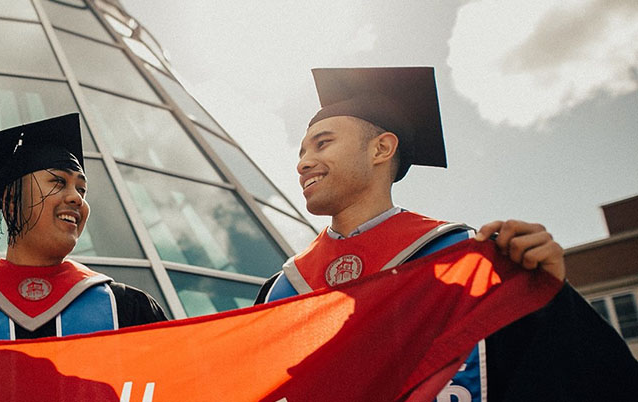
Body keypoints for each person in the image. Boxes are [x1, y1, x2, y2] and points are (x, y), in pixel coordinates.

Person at [254, 66, 638, 400]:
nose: (304, 163)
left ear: (381, 149)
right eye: (302, 151)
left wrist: (543, 298)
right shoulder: (282, 289)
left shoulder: (466, 260)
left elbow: (572, 380)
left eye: (323, 143)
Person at [0, 114, 167, 344]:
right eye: (58, 182)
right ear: (11, 202)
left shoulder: (127, 310)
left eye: (82, 189)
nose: (77, 198)